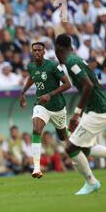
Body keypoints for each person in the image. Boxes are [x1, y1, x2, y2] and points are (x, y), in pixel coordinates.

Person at [54, 34, 106, 195]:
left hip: (98, 111)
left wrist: (77, 113)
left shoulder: (70, 62)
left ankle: (92, 182)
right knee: (85, 148)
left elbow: (88, 86)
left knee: (71, 148)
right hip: (96, 110)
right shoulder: (74, 60)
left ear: (58, 48)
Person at [19, 42, 71, 178]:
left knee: (64, 137)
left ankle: (70, 134)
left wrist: (50, 94)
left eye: (39, 50)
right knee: (36, 130)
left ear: (44, 52)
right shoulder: (31, 66)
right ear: (32, 52)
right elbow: (32, 77)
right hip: (41, 104)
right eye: (34, 50)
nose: (36, 52)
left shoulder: (52, 66)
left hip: (57, 107)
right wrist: (23, 92)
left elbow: (68, 84)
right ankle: (36, 168)